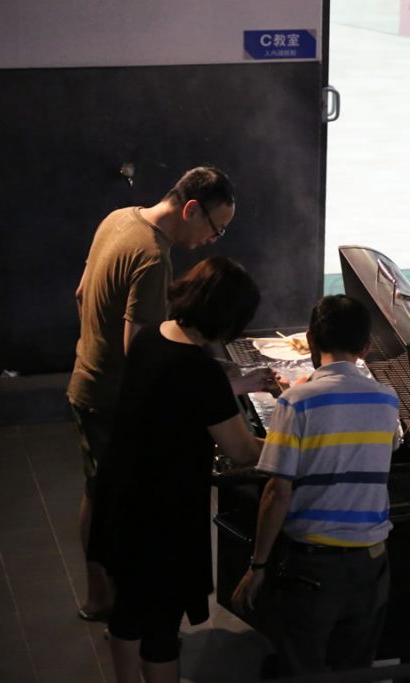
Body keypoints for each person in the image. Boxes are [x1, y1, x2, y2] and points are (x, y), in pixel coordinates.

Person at [67, 165, 271, 620]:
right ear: (191, 209)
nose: (212, 240)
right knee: (118, 502)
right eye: (216, 228)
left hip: (89, 376)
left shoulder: (119, 218)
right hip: (111, 394)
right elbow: (142, 350)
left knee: (99, 491)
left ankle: (102, 595)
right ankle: (117, 603)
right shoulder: (153, 256)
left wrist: (94, 347)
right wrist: (212, 383)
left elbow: (82, 294)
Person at [88, 256, 266, 683]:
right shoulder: (200, 372)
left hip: (120, 495)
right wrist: (297, 443)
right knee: (161, 627)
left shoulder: (152, 337)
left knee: (129, 609)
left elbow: (176, 395)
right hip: (162, 514)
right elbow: (242, 450)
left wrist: (233, 384)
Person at [232, 295, 400, 675]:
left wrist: (258, 565)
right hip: (372, 563)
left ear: (310, 339)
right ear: (366, 347)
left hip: (313, 568)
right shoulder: (387, 399)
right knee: (354, 669)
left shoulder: (296, 403)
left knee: (303, 668)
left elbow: (277, 492)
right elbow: (366, 443)